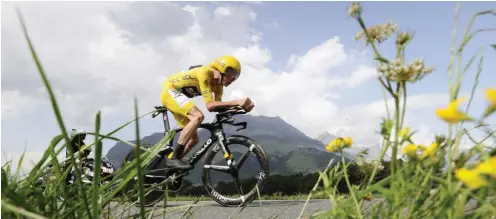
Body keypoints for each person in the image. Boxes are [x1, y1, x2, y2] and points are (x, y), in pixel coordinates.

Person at [160, 55, 255, 170]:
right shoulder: (204, 73)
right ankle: (174, 158)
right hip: (169, 91)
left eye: (235, 78)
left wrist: (241, 108)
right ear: (224, 69)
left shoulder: (218, 87)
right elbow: (210, 106)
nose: (232, 80)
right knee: (198, 116)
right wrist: (236, 102)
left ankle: (168, 168)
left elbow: (218, 108)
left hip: (178, 97)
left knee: (194, 140)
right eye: (232, 75)